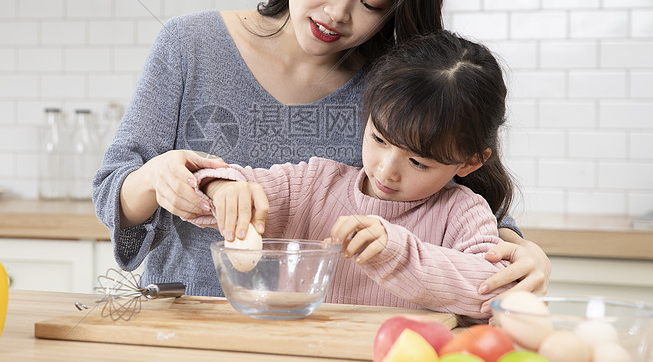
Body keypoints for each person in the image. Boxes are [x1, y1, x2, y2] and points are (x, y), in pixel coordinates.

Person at [92, 0, 550, 312]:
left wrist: (522, 251)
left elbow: (454, 199)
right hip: (188, 321)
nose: (336, 13)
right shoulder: (189, 45)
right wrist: (160, 178)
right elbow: (112, 189)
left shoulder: (391, 90)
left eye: (371, 3)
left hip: (321, 333)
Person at [188, 32, 514, 319]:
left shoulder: (461, 213)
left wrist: (397, 252)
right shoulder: (313, 184)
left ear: (469, 163)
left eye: (418, 163)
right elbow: (207, 178)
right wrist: (220, 187)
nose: (386, 170)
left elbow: (493, 288)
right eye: (379, 139)